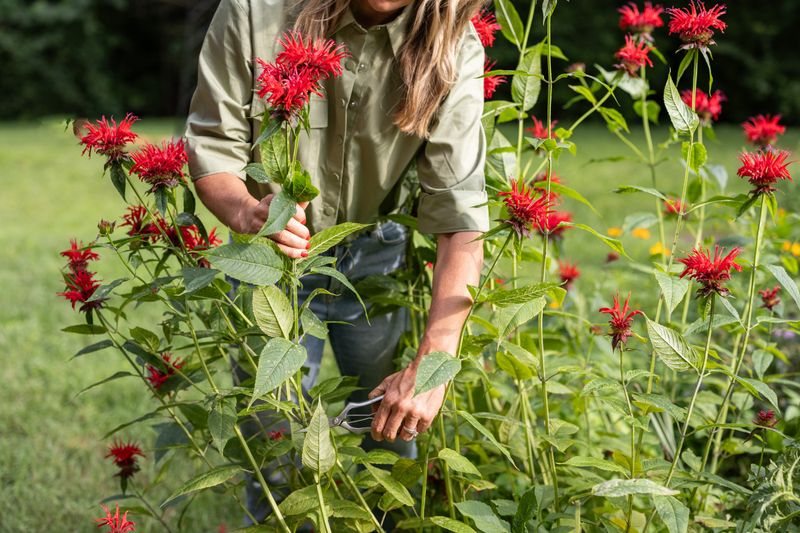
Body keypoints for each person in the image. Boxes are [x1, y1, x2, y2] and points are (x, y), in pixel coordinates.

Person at [184, 0, 489, 523]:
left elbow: (460, 218)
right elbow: (213, 146)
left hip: (373, 251)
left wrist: (433, 368)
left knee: (389, 428)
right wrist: (250, 213)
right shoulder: (254, 13)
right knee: (271, 436)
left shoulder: (453, 46)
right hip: (269, 258)